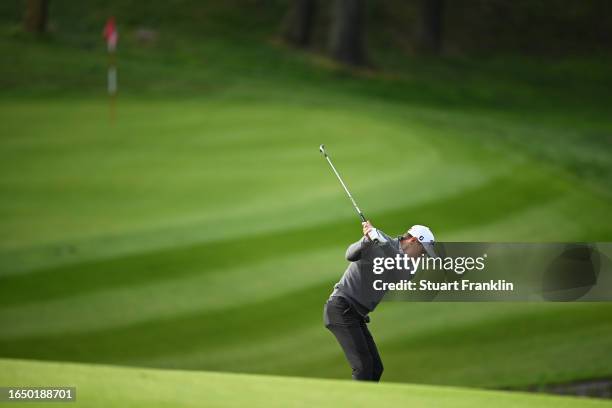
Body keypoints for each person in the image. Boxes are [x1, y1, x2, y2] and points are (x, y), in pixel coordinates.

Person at [324, 221, 436, 382]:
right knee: (363, 367)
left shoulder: (409, 265)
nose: (423, 255)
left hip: (355, 315)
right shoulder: (376, 240)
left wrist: (381, 244)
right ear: (413, 241)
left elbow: (401, 272)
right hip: (341, 308)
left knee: (376, 368)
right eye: (423, 250)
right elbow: (350, 255)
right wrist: (366, 241)